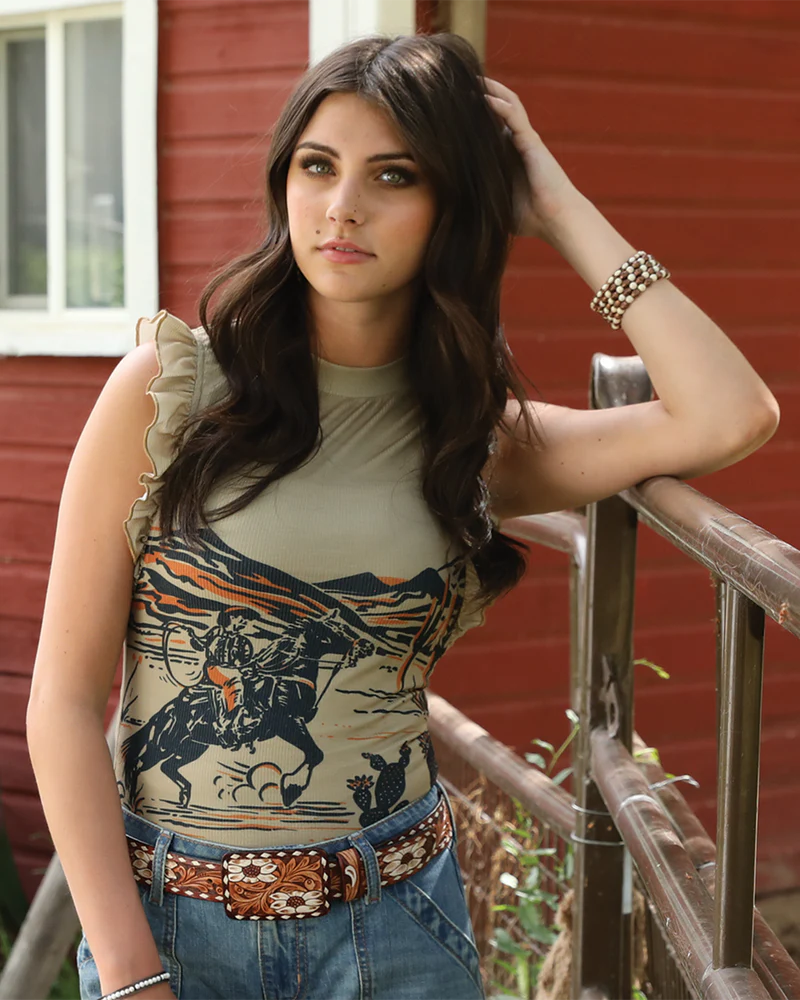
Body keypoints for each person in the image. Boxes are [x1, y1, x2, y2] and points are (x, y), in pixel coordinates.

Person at [25, 30, 779, 1000]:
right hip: (176, 930)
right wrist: (130, 973)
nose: (342, 206)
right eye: (316, 166)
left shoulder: (475, 437)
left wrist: (553, 202)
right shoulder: (171, 391)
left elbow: (730, 411)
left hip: (394, 929)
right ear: (283, 183)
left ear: (449, 208)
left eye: (393, 176)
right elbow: (63, 699)